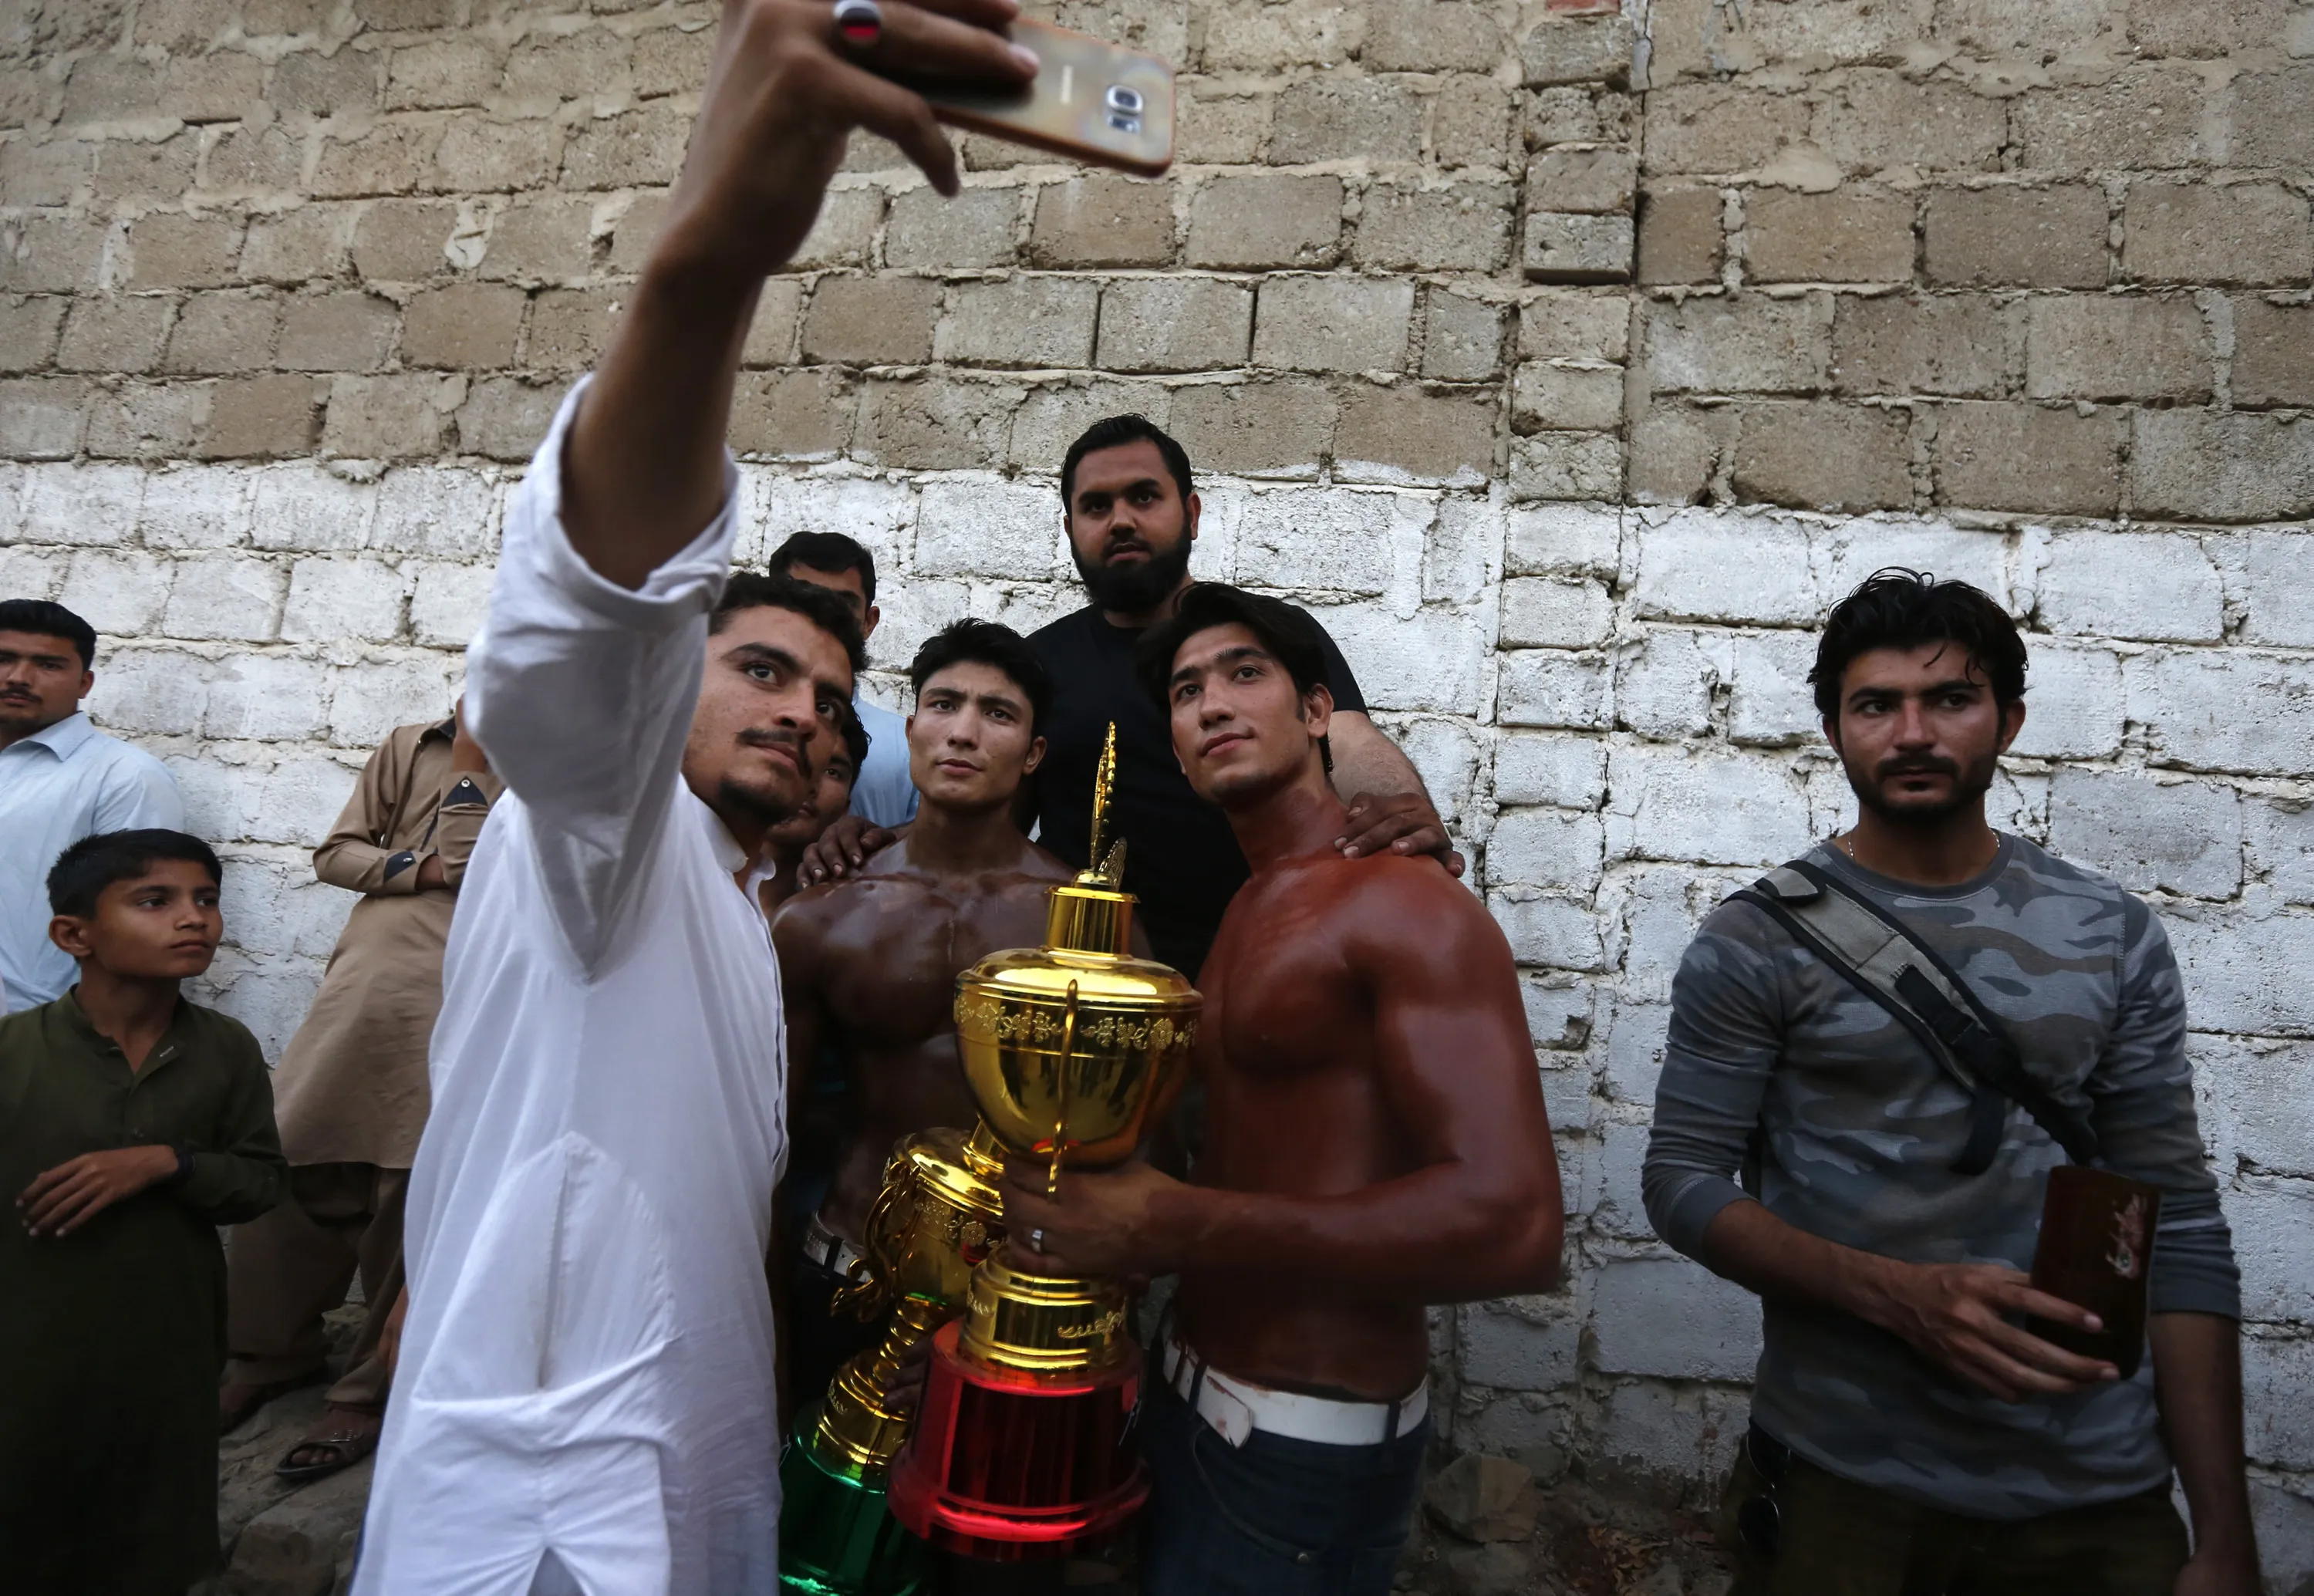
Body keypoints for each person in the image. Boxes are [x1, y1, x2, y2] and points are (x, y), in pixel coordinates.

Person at [351, 0, 1037, 1587]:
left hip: (692, 1485)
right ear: (667, 684)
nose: (804, 711)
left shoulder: (740, 901)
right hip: (546, 1528)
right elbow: (595, 610)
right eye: (762, 668)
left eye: (831, 696)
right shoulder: (605, 835)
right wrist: (715, 254)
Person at [1639, 569, 2257, 1596]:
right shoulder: (1757, 940)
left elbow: (2178, 1220)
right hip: (1844, 1482)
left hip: (2095, 1492)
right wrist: (1896, 1296)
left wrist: (2226, 1535)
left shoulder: (2109, 931)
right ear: (1834, 730)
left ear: (2009, 720)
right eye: (1876, 705)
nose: (1914, 733)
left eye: (1952, 699)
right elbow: (1683, 1181)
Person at [1000, 583, 1564, 1595]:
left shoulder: (1405, 903)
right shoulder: (1253, 906)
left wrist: (1177, 1223)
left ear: (1316, 712)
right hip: (1190, 1398)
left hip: (1304, 1450)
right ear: (1177, 750)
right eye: (1186, 691)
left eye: (1244, 674)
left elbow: (1515, 1227)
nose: (1213, 702)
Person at [804, 416, 1459, 980]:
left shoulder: (1263, 637)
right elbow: (990, 820)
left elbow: (1350, 742)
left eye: (1144, 497)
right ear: (1070, 528)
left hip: (1268, 966)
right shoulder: (1039, 665)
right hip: (1089, 994)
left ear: (1191, 513)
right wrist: (877, 843)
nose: (1121, 520)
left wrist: (1400, 809)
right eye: (1097, 506)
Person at [773, 618, 1084, 1415]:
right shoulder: (827, 911)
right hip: (841, 1266)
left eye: (997, 713)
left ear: (1034, 753)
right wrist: (764, 1320)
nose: (964, 732)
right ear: (911, 728)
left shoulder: (1080, 921)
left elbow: (1130, 1139)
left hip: (1009, 1292)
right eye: (944, 704)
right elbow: (770, 1139)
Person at [218, 707, 502, 1481]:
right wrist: (419, 871)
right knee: (290, 1154)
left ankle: (365, 1389)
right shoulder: (411, 744)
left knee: (410, 1182)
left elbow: (473, 860)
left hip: (463, 989)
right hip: (364, 983)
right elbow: (336, 853)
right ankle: (270, 1351)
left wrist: (472, 761)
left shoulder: (561, 761)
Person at [0, 829, 287, 1594]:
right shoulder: (15, 1052)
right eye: (154, 900)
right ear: (75, 935)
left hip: (167, 1353)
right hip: (27, 1355)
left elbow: (262, 1181)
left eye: (206, 899)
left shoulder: (225, 1049)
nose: (194, 918)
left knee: (153, 1545)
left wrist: (170, 1161)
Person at [0, 599, 184, 1013]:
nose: (18, 677)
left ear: (85, 683)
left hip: (37, 1027)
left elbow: (144, 920)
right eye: (3, 659)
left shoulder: (125, 777)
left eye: (48, 665)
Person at [769, 531, 919, 831]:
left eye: (841, 605)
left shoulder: (909, 749)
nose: (823, 618)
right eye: (803, 599)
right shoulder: (723, 717)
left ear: (869, 621)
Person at [761, 703, 865, 916]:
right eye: (798, 758)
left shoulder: (842, 920)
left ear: (845, 807)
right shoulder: (692, 876)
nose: (811, 782)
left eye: (832, 772)